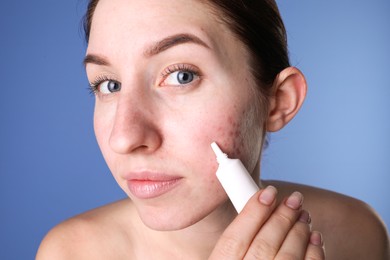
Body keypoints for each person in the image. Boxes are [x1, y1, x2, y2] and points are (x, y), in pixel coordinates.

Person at [36, 0, 389, 259]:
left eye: (181, 76)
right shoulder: (69, 253)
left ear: (278, 101)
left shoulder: (355, 235)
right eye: (109, 85)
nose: (124, 137)